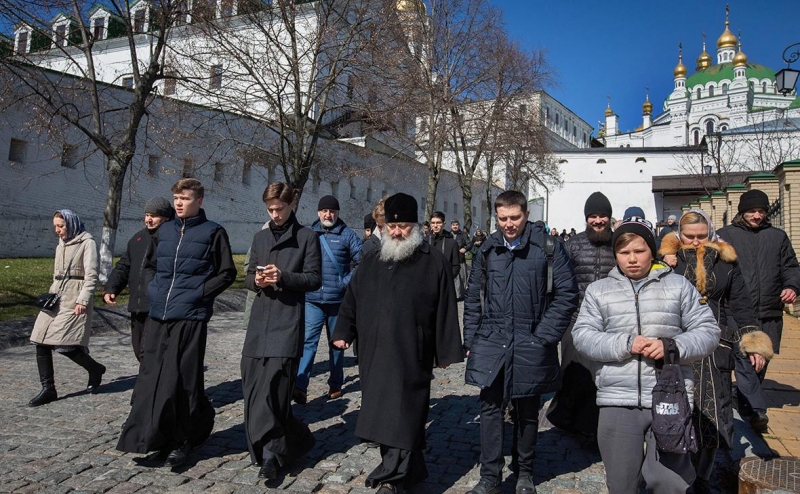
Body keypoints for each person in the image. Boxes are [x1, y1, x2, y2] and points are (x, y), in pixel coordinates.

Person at [572, 217, 720, 494]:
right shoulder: (598, 290)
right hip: (618, 399)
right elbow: (583, 336)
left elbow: (709, 331)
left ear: (652, 250)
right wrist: (626, 343)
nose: (631, 259)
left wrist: (671, 347)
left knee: (669, 482)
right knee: (622, 484)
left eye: (639, 251)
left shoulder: (678, 286)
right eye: (624, 252)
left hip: (669, 397)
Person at [331, 193, 463, 493]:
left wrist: (445, 350)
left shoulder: (434, 262)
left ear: (415, 226)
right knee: (385, 414)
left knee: (405, 412)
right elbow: (352, 299)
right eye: (391, 226)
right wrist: (343, 331)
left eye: (403, 226)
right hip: (374, 351)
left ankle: (392, 480)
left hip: (411, 352)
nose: (396, 232)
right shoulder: (372, 260)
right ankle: (412, 472)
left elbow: (445, 308)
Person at [463, 190, 579, 494]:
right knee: (489, 407)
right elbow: (474, 297)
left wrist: (544, 335)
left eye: (515, 217)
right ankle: (490, 475)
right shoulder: (488, 249)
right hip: (492, 339)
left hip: (531, 338)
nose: (509, 224)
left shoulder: (548, 247)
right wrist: (471, 338)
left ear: (526, 215)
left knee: (527, 409)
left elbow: (567, 294)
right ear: (496, 218)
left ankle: (525, 471)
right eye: (503, 218)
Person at [117, 178, 237, 468]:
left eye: (185, 198)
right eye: (176, 198)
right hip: (159, 315)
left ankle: (183, 441)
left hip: (190, 318)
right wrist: (154, 291)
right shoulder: (165, 231)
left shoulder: (213, 232)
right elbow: (148, 266)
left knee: (183, 380)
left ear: (200, 201)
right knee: (153, 378)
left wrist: (199, 294)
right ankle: (156, 439)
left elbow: (227, 272)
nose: (179, 203)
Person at [659, 210, 773, 492]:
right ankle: (672, 475)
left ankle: (702, 477)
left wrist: (753, 343)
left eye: (702, 236)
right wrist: (662, 263)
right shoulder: (665, 263)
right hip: (676, 347)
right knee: (674, 411)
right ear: (678, 235)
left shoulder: (726, 261)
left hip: (715, 348)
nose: (696, 242)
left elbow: (741, 304)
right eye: (690, 236)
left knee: (714, 415)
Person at [242, 182, 321, 479]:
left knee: (273, 392)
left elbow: (314, 279)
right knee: (252, 389)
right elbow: (248, 275)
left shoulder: (307, 237)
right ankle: (296, 439)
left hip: (287, 322)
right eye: (270, 209)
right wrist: (258, 281)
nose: (275, 214)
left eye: (280, 208)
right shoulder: (260, 237)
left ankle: (272, 455)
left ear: (292, 205)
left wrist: (284, 276)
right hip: (259, 321)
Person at [716, 189, 800, 429]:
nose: (757, 215)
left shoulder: (778, 237)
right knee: (745, 361)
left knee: (761, 363)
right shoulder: (725, 236)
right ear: (742, 212)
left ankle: (744, 401)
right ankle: (756, 411)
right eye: (752, 211)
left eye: (761, 211)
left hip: (770, 313)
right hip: (738, 313)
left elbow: (791, 267)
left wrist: (792, 286)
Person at [546, 191, 615, 435]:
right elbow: (559, 282)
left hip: (609, 322)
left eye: (602, 216)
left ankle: (592, 424)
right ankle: (565, 417)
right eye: (593, 216)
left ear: (609, 218)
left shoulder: (618, 244)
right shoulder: (572, 245)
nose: (598, 221)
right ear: (586, 219)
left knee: (600, 375)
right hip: (576, 319)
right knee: (573, 371)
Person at [29, 209, 105, 407]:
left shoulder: (87, 243)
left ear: (71, 224)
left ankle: (95, 368)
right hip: (56, 296)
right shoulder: (60, 244)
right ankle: (48, 389)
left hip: (74, 297)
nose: (58, 230)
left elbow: (91, 275)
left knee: (65, 344)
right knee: (40, 340)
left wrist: (83, 300)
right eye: (55, 226)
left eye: (61, 226)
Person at [295, 195, 362, 404]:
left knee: (337, 344)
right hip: (312, 298)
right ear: (318, 212)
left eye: (332, 211)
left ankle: (335, 383)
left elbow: (362, 263)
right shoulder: (308, 234)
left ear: (337, 213)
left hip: (338, 301)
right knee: (308, 343)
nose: (328, 214)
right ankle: (300, 385)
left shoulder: (348, 235)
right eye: (324, 210)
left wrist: (345, 283)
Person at [104, 198, 174, 363]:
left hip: (158, 305)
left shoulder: (171, 238)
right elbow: (124, 265)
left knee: (148, 352)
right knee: (138, 350)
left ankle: (154, 385)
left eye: (154, 216)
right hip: (137, 305)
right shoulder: (138, 239)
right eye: (147, 215)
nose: (148, 219)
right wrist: (111, 288)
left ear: (165, 217)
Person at [428, 211, 460, 282]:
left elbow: (456, 266)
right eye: (433, 223)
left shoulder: (451, 242)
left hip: (444, 282)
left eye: (438, 222)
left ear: (444, 224)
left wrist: (447, 279)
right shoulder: (425, 241)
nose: (435, 226)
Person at [451, 220, 472, 300]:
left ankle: (461, 295)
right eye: (453, 225)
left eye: (456, 225)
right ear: (451, 226)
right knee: (453, 278)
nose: (455, 226)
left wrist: (465, 248)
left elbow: (469, 244)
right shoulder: (448, 235)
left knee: (462, 278)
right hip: (451, 259)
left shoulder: (463, 234)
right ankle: (455, 295)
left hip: (460, 259)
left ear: (459, 226)